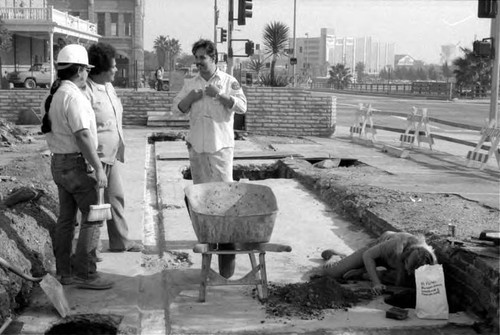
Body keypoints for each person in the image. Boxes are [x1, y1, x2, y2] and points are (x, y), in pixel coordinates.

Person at [41, 44, 113, 290]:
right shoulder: (73, 97)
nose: (87, 75)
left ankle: (66, 273)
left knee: (66, 219)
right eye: (86, 71)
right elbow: (82, 136)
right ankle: (86, 272)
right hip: (74, 165)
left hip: (58, 164)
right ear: (81, 70)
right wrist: (99, 168)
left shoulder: (56, 93)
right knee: (93, 217)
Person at [173, 39, 247, 279]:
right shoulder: (191, 83)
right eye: (196, 59)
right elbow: (177, 109)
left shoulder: (228, 81)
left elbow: (242, 107)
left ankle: (226, 251)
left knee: (224, 201)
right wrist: (192, 98)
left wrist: (221, 96)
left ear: (214, 58)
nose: (198, 63)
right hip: (197, 150)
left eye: (202, 58)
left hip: (220, 151)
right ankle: (208, 242)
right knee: (202, 199)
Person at [84, 42, 142, 253]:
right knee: (95, 207)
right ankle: (91, 250)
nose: (117, 69)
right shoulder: (86, 91)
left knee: (116, 199)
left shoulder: (108, 87)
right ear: (100, 69)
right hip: (94, 159)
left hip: (111, 156)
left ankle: (120, 242)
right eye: (113, 66)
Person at [320, 231, 437, 295]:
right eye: (408, 268)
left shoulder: (428, 257)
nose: (409, 273)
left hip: (392, 262)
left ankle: (363, 272)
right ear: (405, 258)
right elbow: (368, 255)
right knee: (331, 272)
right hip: (376, 253)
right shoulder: (396, 244)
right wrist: (376, 283)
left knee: (401, 282)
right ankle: (336, 256)